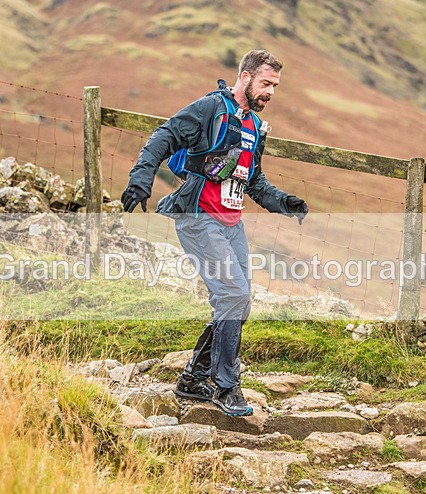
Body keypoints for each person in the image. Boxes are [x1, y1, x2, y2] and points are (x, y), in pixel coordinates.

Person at [121, 50, 308, 417]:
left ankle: (194, 379)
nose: (271, 92)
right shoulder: (211, 108)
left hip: (231, 222)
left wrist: (284, 202)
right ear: (245, 77)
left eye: (275, 86)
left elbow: (252, 180)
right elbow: (164, 136)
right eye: (266, 83)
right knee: (233, 294)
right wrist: (141, 178)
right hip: (198, 217)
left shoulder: (254, 125)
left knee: (240, 302)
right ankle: (226, 387)